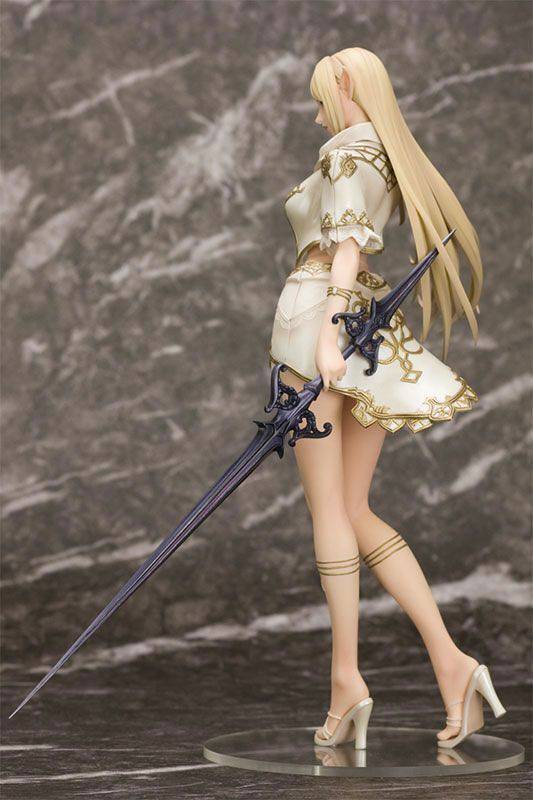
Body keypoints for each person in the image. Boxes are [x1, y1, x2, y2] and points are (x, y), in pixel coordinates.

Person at [269, 47, 505, 749]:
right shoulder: (387, 152)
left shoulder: (348, 151)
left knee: (329, 511)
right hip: (365, 329)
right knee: (354, 509)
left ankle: (346, 680)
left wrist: (326, 337)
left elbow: (345, 249)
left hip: (317, 324)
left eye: (322, 100)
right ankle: (453, 663)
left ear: (346, 85)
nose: (318, 116)